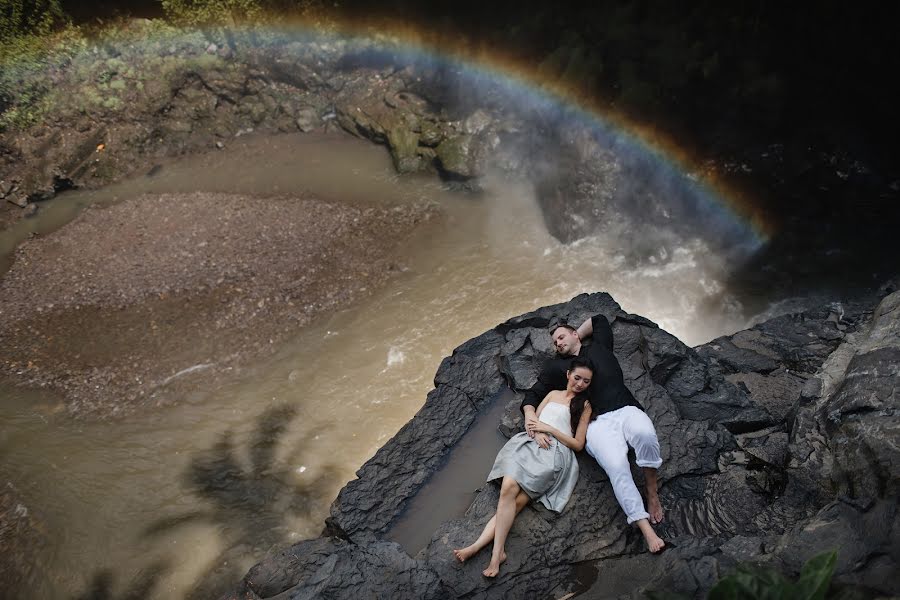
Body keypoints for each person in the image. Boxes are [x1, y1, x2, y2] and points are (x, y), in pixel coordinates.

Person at [522, 314, 666, 553]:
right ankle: (645, 529)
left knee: (645, 435)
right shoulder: (559, 368)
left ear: (575, 334)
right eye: (555, 343)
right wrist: (530, 415)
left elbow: (598, 319)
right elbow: (533, 395)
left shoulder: (600, 347)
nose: (557, 343)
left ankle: (652, 492)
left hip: (625, 408)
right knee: (616, 466)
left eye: (561, 337)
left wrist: (575, 334)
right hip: (595, 423)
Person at [453, 357, 594, 577]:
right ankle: (491, 551)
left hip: (554, 453)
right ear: (568, 375)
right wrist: (537, 431)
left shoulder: (584, 405)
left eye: (586, 381)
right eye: (577, 378)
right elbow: (533, 421)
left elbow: (578, 444)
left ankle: (487, 550)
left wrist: (549, 429)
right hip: (531, 444)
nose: (580, 384)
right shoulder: (552, 394)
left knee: (516, 501)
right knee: (509, 488)